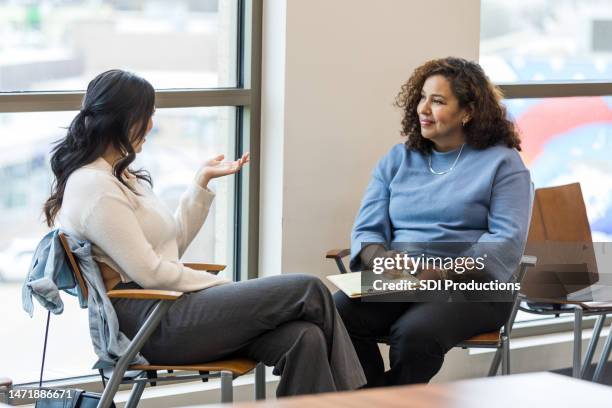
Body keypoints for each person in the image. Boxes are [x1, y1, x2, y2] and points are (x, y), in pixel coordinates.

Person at [44, 69, 365, 396]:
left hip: (171, 308)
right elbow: (152, 274)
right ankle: (361, 400)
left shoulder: (122, 178)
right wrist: (221, 285)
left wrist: (201, 182)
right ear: (120, 119)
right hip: (149, 325)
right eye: (146, 116)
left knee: (304, 337)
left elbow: (171, 249)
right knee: (308, 288)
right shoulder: (94, 187)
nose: (151, 125)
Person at [333, 57, 531, 387]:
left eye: (437, 101)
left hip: (473, 285)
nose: (423, 108)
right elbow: (367, 230)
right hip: (402, 279)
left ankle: (372, 400)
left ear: (467, 112)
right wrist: (380, 258)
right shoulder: (397, 159)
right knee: (335, 314)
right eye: (422, 97)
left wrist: (441, 272)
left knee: (414, 334)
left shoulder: (503, 163)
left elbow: (506, 241)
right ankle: (373, 397)